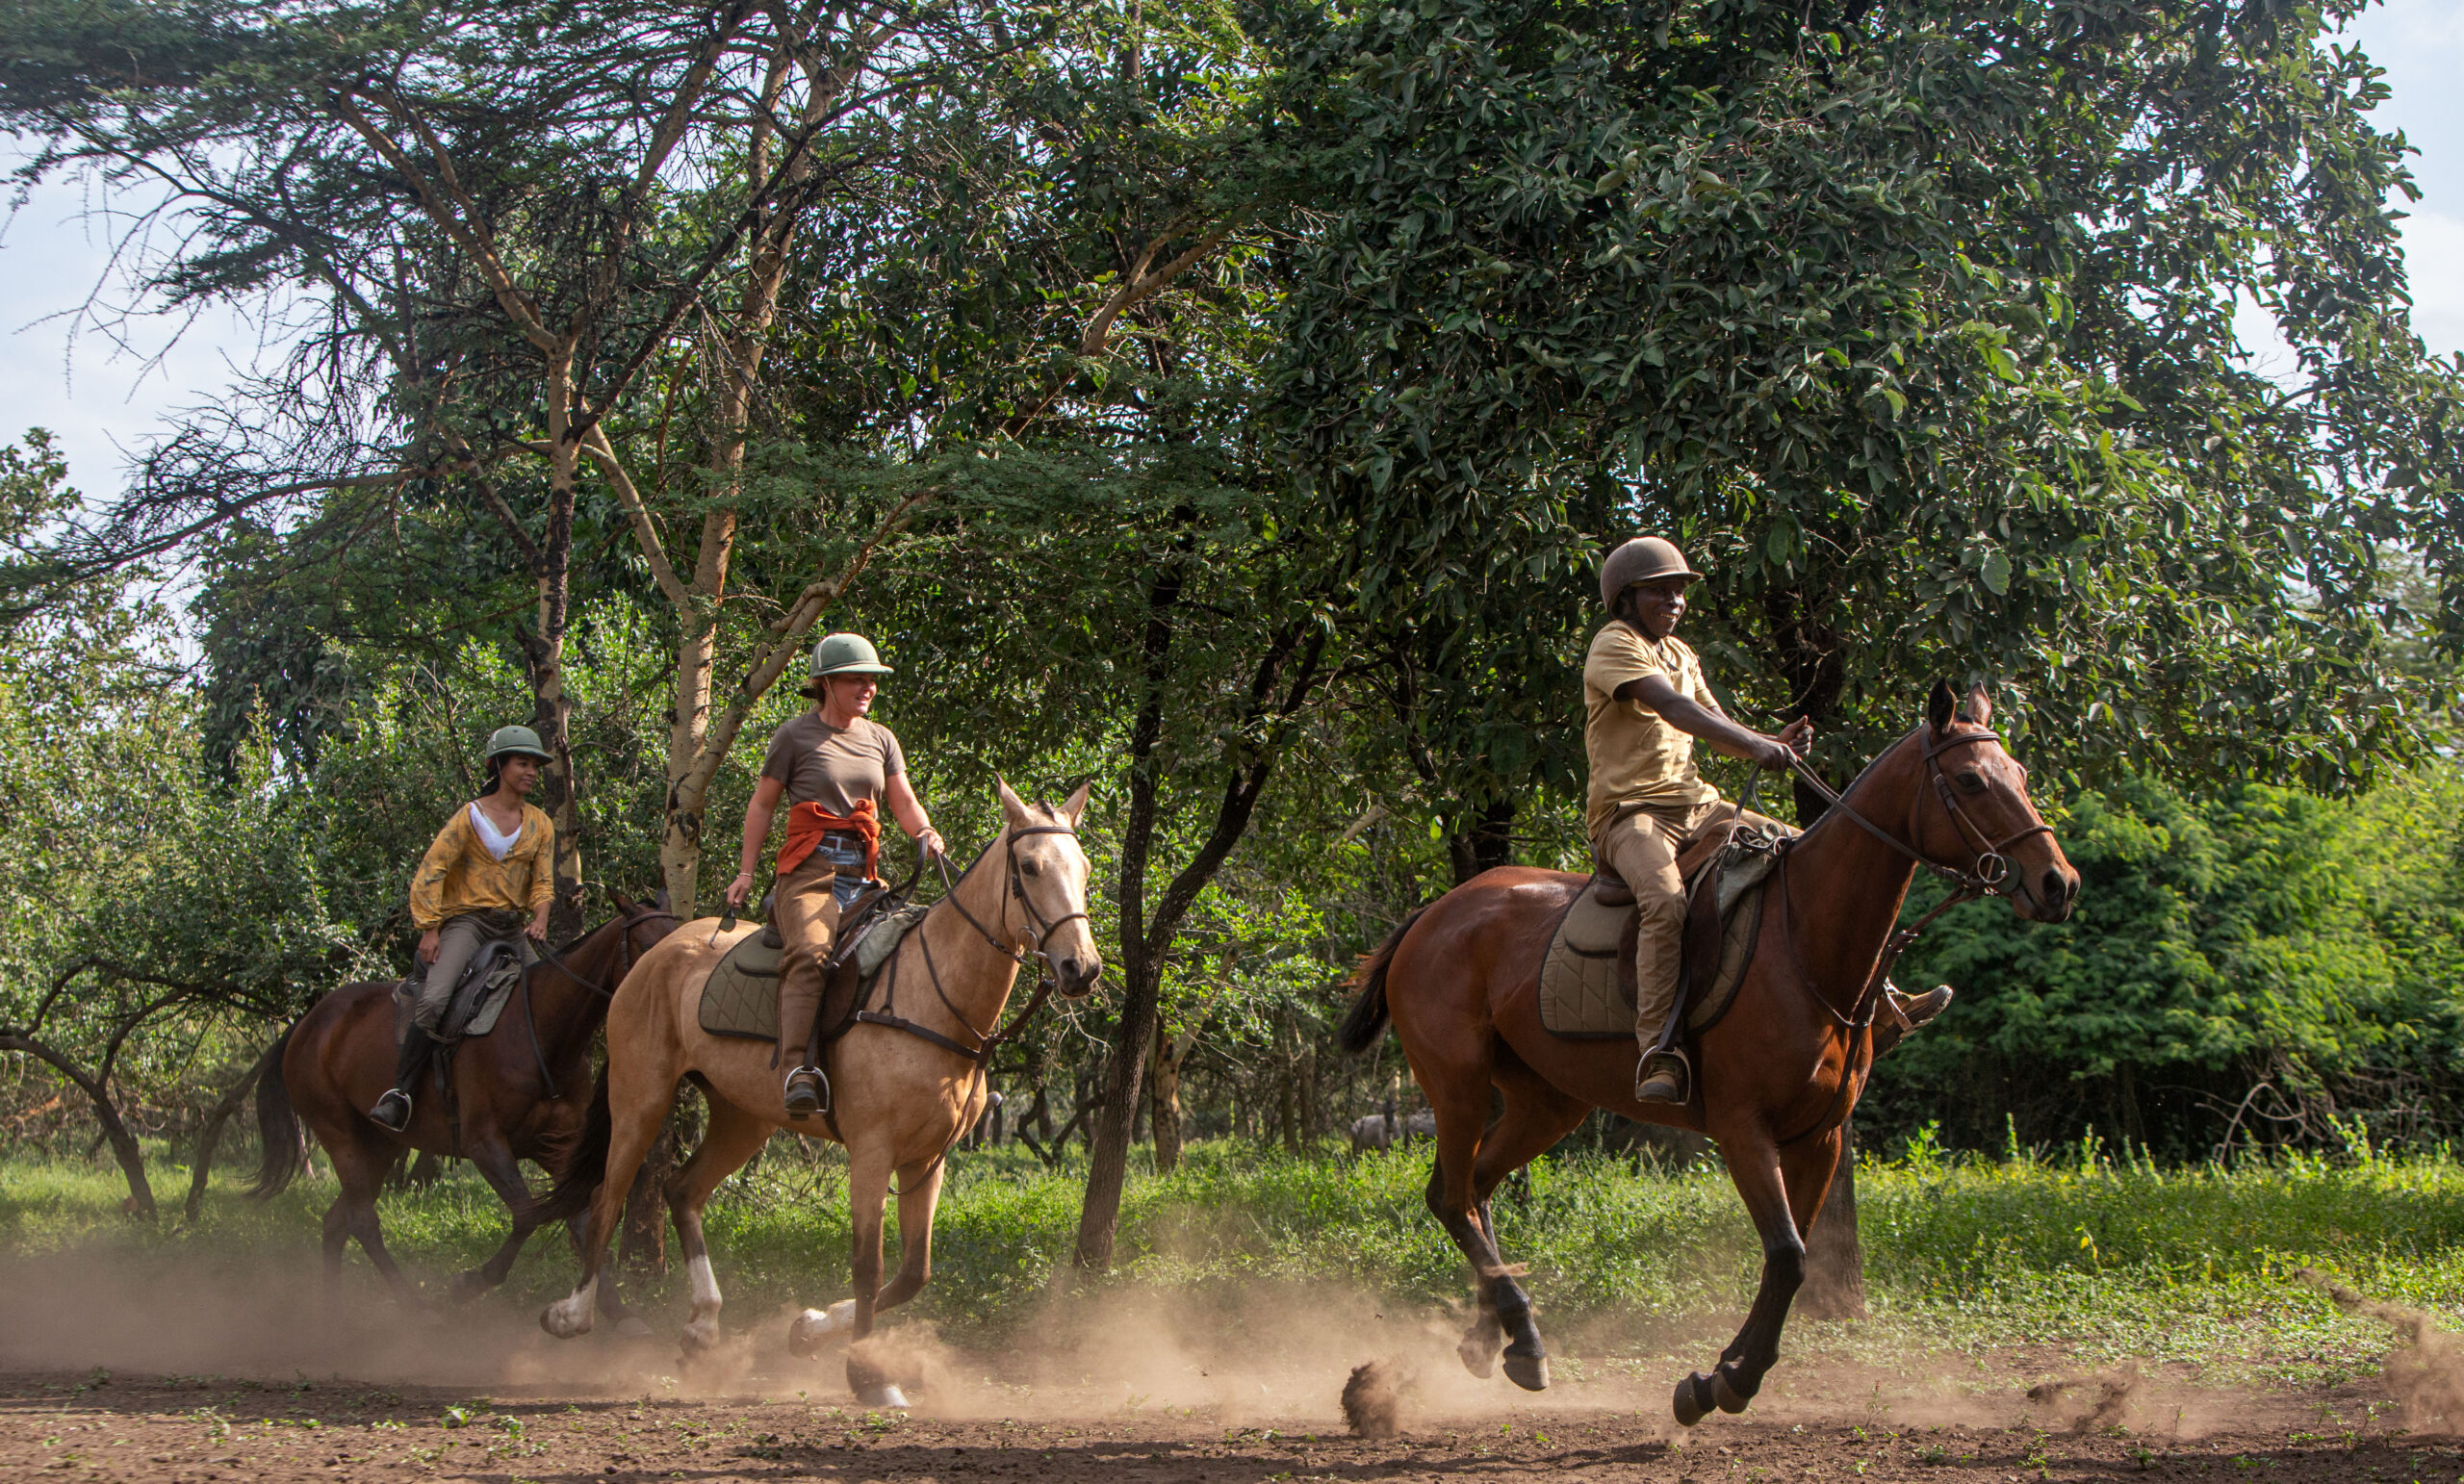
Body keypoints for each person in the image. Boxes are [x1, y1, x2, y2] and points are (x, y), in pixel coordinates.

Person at [1585, 537, 1946, 1107]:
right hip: (1631, 815)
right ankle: (1658, 1050)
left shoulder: (1682, 654)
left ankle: (1885, 1004)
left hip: (1698, 806)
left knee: (1808, 852)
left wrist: (1771, 742)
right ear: (1626, 599)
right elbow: (1674, 709)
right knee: (1664, 901)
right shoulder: (1615, 643)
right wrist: (1756, 746)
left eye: (1680, 591)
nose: (1676, 600)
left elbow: (1711, 722)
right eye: (1661, 590)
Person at [727, 632, 944, 1118]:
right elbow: (761, 805)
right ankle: (795, 1072)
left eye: (872, 680)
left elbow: (902, 800)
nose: (867, 688)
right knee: (810, 954)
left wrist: (925, 831)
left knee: (917, 943)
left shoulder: (881, 738)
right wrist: (745, 872)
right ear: (825, 683)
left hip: (864, 876)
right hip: (809, 872)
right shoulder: (794, 736)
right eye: (856, 679)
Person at [370, 726, 557, 1132]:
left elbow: (542, 882)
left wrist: (540, 918)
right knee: (435, 1000)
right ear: (500, 766)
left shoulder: (541, 824)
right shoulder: (468, 817)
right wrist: (430, 928)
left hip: (512, 928)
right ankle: (400, 1094)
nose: (531, 772)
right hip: (467, 925)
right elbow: (430, 872)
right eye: (522, 763)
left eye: (534, 766)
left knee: (545, 996)